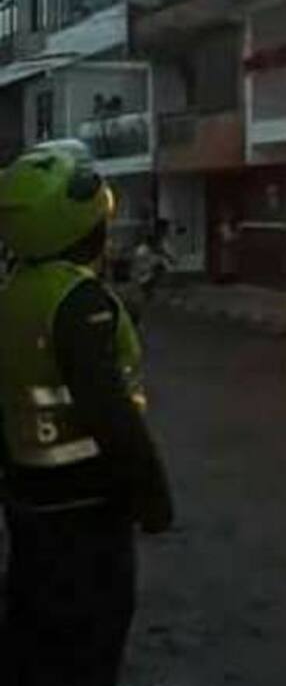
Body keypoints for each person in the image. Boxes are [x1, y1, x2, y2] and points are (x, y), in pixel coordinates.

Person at [0, 141, 173, 686]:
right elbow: (112, 416)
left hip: (28, 507)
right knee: (89, 653)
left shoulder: (15, 294)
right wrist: (154, 498)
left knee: (32, 647)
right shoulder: (80, 304)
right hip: (89, 515)